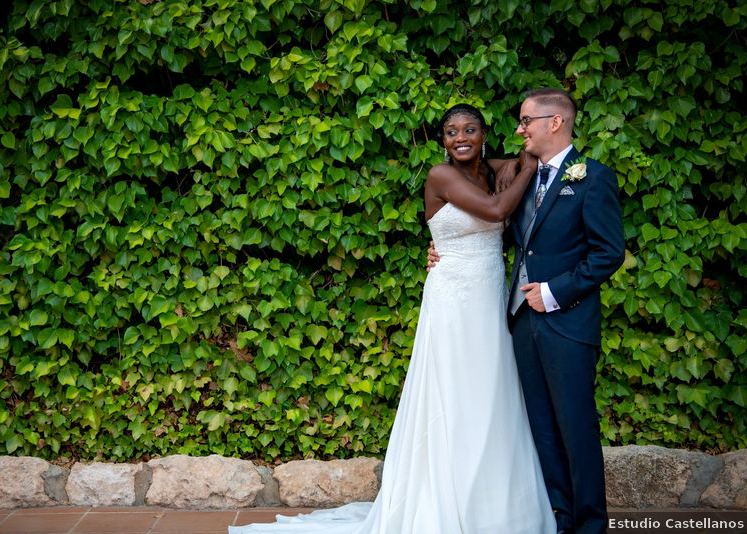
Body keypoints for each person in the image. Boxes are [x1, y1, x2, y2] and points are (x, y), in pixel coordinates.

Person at [230, 104, 556, 534]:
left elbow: (523, 164)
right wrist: (529, 165)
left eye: (470, 129)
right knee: (453, 392)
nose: (460, 137)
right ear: (441, 140)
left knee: (490, 388)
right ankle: (444, 498)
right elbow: (496, 212)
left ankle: (489, 502)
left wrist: (529, 151)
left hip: (488, 296)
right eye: (451, 131)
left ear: (483, 134)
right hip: (453, 299)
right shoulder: (442, 176)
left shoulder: (491, 170)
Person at [436, 89, 625, 534]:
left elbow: (608, 253)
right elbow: (497, 233)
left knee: (576, 428)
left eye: (526, 121)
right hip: (521, 322)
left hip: (568, 321)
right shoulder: (521, 175)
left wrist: (556, 291)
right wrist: (442, 248)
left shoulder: (592, 178)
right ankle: (560, 519)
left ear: (554, 123)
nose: (519, 130)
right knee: (541, 427)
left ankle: (590, 526)